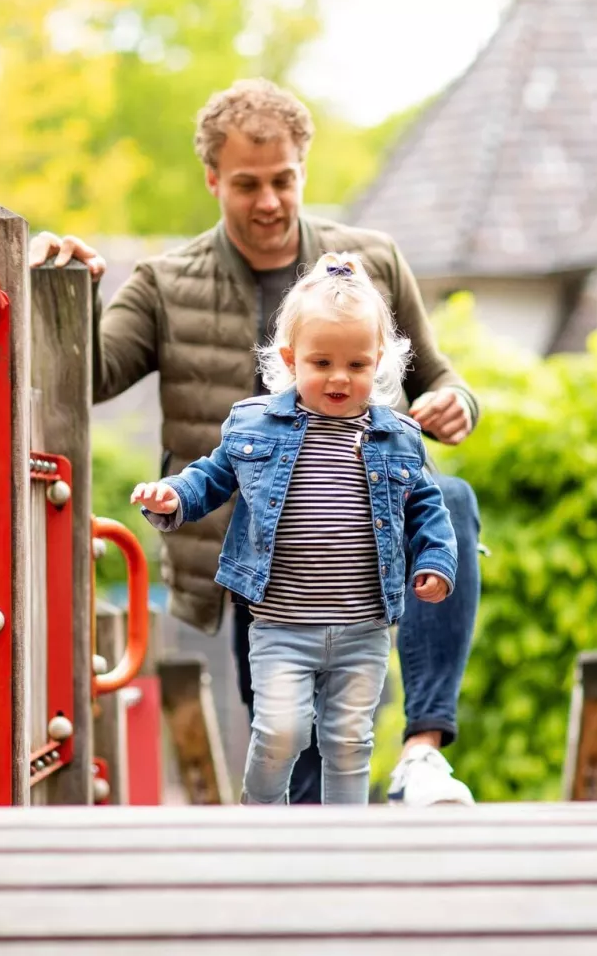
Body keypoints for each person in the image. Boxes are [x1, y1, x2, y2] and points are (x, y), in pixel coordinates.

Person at [30, 77, 482, 806]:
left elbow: (440, 375)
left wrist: (455, 402)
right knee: (294, 755)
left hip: (368, 524)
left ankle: (423, 754)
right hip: (257, 559)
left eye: (283, 180)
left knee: (450, 504)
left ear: (303, 169)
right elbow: (93, 375)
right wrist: (70, 290)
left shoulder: (373, 263)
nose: (269, 201)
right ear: (213, 178)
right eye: (247, 184)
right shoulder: (163, 284)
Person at [131, 253, 457, 804]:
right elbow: (210, 479)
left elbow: (427, 506)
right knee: (280, 734)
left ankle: (341, 846)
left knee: (350, 742)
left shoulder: (397, 437)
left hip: (363, 628)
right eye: (321, 362)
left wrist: (435, 561)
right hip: (282, 627)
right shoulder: (255, 424)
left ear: (376, 362)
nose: (338, 377)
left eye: (356, 366)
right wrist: (172, 496)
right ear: (290, 359)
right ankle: (262, 822)